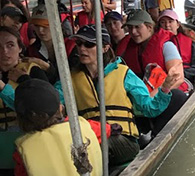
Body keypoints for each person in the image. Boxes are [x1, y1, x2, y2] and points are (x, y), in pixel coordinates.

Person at [59, 25, 179, 168]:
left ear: (105, 48)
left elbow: (149, 108)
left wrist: (165, 87)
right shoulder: (69, 79)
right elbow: (55, 103)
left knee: (98, 145)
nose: (82, 48)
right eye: (79, 44)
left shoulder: (123, 73)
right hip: (88, 139)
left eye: (89, 44)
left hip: (123, 141)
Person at [0, 26, 48, 176]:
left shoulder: (33, 72)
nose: (4, 52)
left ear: (20, 47)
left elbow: (44, 110)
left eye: (10, 45)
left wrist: (3, 88)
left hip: (27, 144)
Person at [118, 9, 189, 94]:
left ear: (149, 27)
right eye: (130, 28)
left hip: (168, 95)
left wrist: (155, 96)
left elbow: (178, 78)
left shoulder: (167, 46)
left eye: (137, 27)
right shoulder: (130, 48)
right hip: (142, 96)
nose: (133, 32)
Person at [157, 9, 195, 85]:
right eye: (163, 22)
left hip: (187, 81)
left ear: (177, 24)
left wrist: (177, 75)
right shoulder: (156, 43)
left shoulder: (191, 41)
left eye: (170, 21)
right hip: (162, 82)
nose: (167, 25)